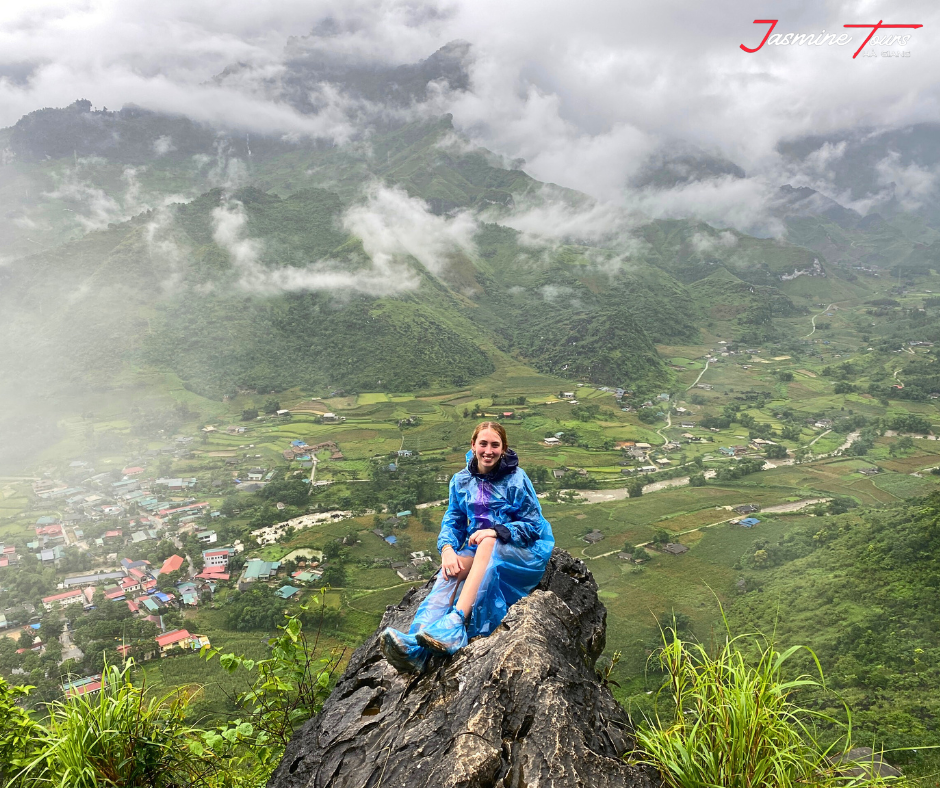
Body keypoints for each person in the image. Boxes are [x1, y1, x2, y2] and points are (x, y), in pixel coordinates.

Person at [380, 421, 555, 674]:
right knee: (450, 570)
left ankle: (456, 622)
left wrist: (495, 531)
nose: (488, 450)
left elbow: (533, 525)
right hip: (483, 552)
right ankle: (415, 646)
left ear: (503, 448)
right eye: (483, 443)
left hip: (522, 552)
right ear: (473, 446)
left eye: (495, 445)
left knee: (487, 541)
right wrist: (448, 550)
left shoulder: (516, 479)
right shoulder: (461, 481)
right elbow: (453, 521)